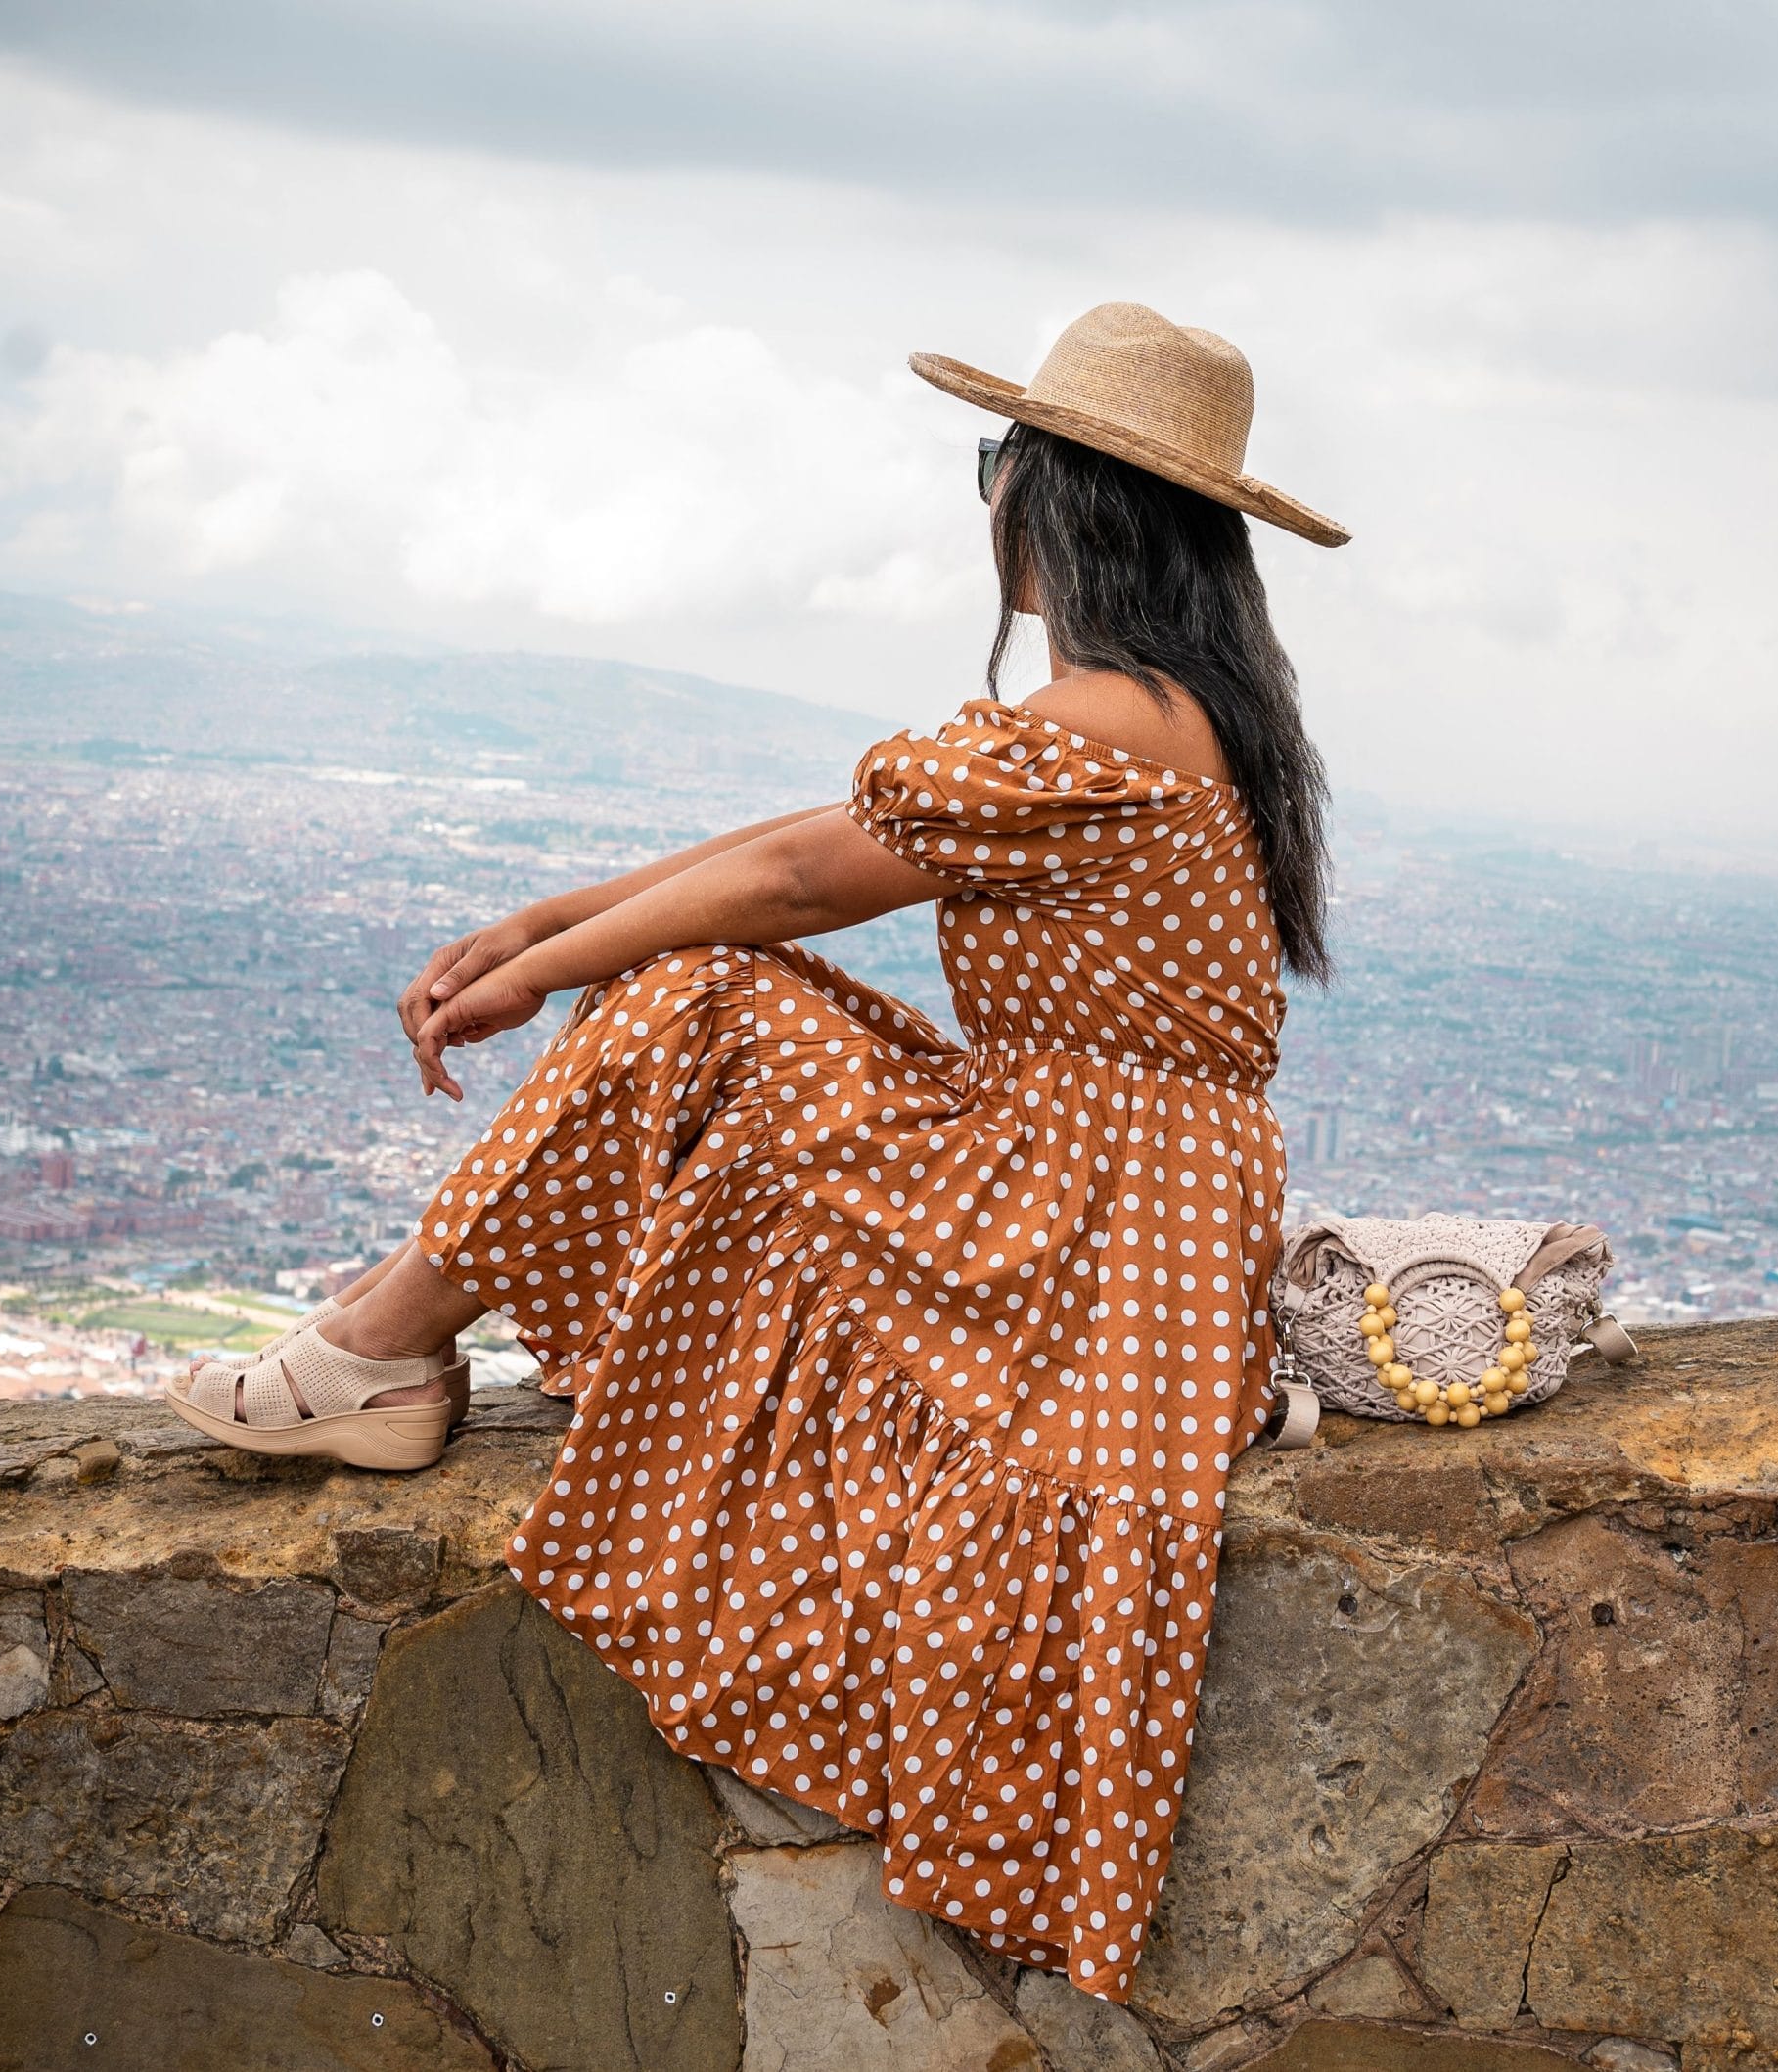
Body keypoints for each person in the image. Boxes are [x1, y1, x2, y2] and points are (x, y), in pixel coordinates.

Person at [167, 301, 1348, 2002]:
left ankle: (380, 1341)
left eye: (997, 463)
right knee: (705, 985)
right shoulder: (1174, 713)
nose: (988, 496)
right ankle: (390, 1331)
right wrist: (563, 916)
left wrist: (544, 968)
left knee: (707, 1004)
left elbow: (804, 881)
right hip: (1117, 1202)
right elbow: (823, 842)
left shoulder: (1111, 720)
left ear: (1062, 495)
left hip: (1078, 1216)